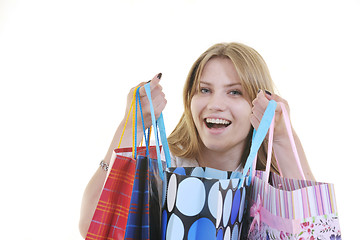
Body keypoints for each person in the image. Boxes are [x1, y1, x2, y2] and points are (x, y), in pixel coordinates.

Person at [78, 42, 315, 238]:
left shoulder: (271, 188)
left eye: (235, 92)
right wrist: (131, 125)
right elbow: (93, 227)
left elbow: (315, 231)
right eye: (204, 90)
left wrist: (283, 138)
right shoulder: (160, 170)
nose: (215, 105)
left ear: (257, 105)